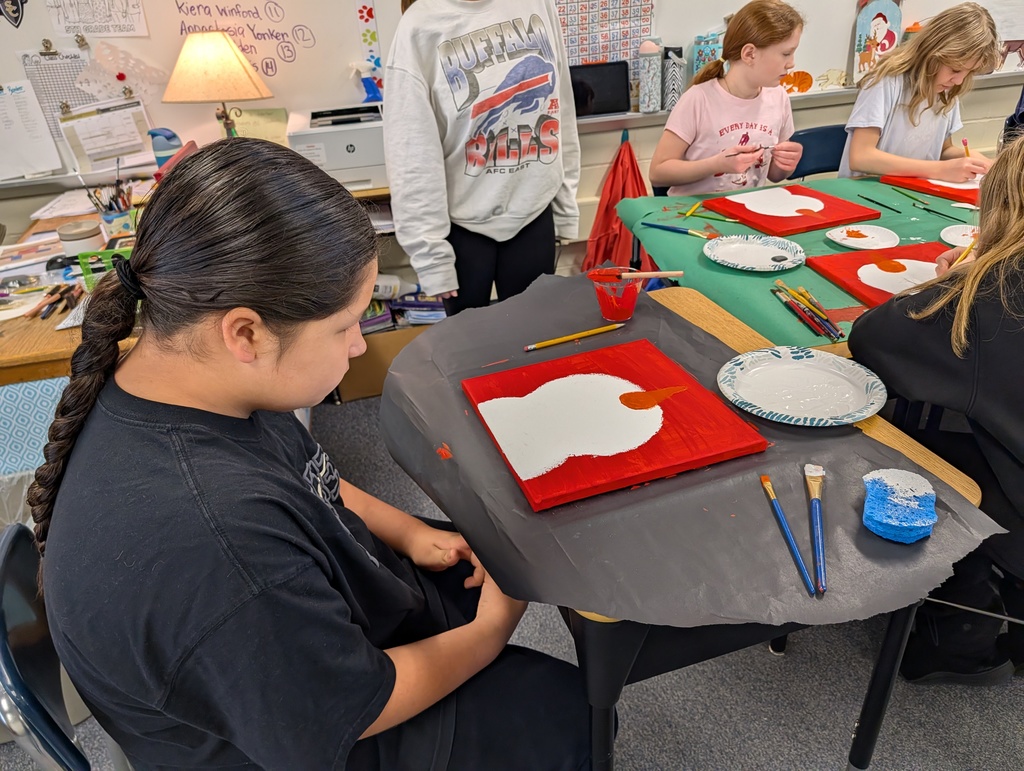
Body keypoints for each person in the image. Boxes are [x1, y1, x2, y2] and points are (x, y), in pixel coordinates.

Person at [28, 138, 591, 769]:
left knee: (491, 566)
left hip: (300, 632)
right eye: (346, 325)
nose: (358, 346)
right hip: (310, 729)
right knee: (576, 716)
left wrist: (407, 531)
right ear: (246, 332)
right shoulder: (211, 547)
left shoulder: (197, 384)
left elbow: (310, 478)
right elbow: (357, 704)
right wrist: (488, 633)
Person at [848, 135, 1024, 685]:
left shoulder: (997, 296)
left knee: (906, 439)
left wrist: (957, 282)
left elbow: (873, 339)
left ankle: (958, 630)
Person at [384, 0, 581, 316]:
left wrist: (566, 206)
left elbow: (562, 106)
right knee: (467, 351)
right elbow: (412, 153)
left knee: (534, 338)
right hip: (462, 227)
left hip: (534, 211)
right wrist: (431, 255)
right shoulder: (418, 27)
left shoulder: (537, 4)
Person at [648, 0, 805, 196]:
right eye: (786, 53)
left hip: (747, 212)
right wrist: (716, 164)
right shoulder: (699, 99)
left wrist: (787, 165)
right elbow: (658, 172)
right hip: (694, 213)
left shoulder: (778, 97)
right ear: (749, 54)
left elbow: (774, 174)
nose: (791, 63)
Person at [839, 2, 1002, 181]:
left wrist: (968, 159)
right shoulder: (887, 80)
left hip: (915, 192)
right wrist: (939, 169)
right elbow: (861, 157)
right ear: (933, 52)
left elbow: (943, 150)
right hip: (866, 194)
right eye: (955, 69)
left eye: (969, 72)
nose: (959, 80)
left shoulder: (947, 88)